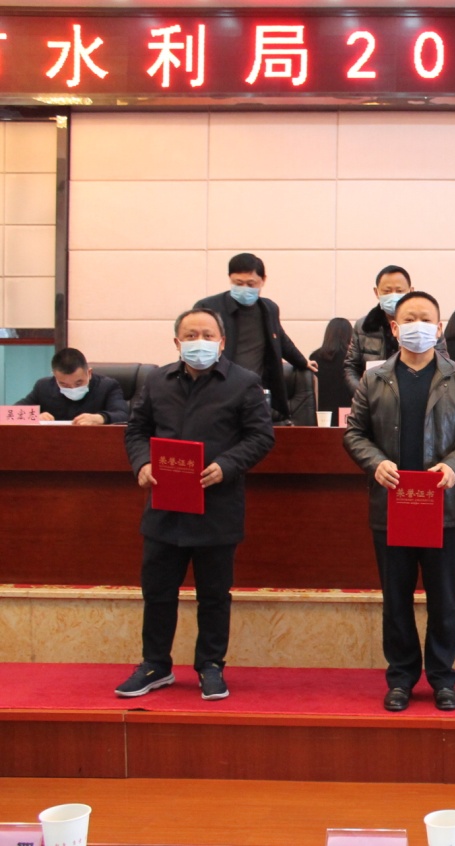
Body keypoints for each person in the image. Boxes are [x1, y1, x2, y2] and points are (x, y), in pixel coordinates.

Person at [115, 308, 275, 701]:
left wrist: (227, 465)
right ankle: (155, 664)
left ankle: (211, 665)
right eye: (190, 335)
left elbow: (261, 437)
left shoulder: (244, 383)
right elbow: (137, 430)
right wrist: (142, 463)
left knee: (214, 595)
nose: (198, 341)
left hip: (216, 505)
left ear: (221, 342)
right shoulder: (157, 380)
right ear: (177, 342)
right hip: (165, 505)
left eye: (207, 334)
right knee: (158, 591)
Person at [343, 291, 455, 713]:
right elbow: (354, 433)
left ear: (439, 327)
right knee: (396, 599)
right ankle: (401, 678)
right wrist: (375, 463)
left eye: (426, 319)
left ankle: (443, 678)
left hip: (442, 505)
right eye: (409, 319)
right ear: (394, 327)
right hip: (392, 504)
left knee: (444, 599)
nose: (417, 326)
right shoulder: (374, 378)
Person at [194, 253, 316, 422]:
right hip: (218, 391)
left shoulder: (269, 309)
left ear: (263, 280)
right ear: (230, 278)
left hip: (255, 393)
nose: (244, 288)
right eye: (238, 283)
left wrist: (302, 361)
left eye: (251, 284)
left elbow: (280, 338)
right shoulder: (208, 307)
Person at [345, 265, 412, 395]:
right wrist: (363, 394)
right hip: (373, 398)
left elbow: (442, 366)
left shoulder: (425, 326)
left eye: (399, 291)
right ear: (377, 292)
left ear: (411, 291)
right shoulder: (363, 326)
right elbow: (351, 367)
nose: (393, 296)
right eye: (387, 291)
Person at [17, 347, 128, 424]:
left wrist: (101, 418)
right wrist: (32, 417)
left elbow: (123, 415)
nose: (72, 388)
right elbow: (10, 414)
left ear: (89, 373)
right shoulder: (43, 387)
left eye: (79, 383)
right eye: (64, 384)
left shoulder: (107, 386)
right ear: (55, 377)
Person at [310, 317, 354, 416]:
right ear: (349, 335)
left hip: (321, 413)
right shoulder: (352, 358)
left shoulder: (314, 357)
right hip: (347, 413)